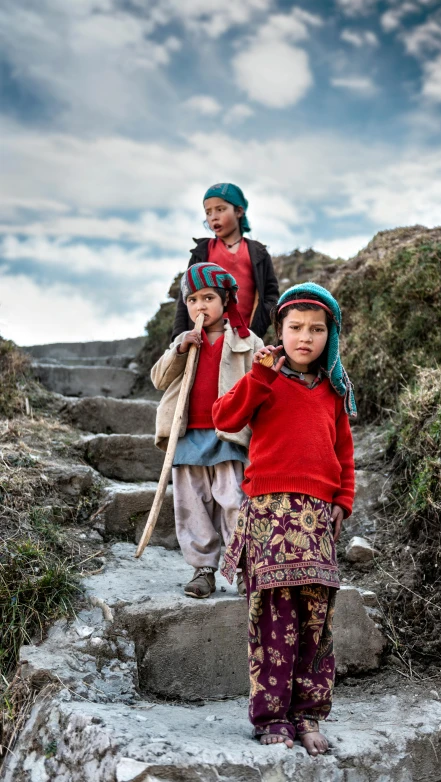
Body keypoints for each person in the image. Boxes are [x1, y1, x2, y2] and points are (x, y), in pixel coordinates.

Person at [213, 282, 357, 756]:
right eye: (295, 327)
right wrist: (258, 376)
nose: (305, 337)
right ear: (280, 331)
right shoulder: (264, 377)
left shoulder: (334, 392)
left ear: (329, 337)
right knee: (274, 620)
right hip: (270, 516)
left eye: (317, 329)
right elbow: (225, 418)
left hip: (317, 520)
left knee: (316, 621)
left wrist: (343, 501)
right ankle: (271, 716)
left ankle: (309, 713)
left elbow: (344, 454)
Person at [151, 262, 264, 598]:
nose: (200, 306)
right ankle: (203, 569)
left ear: (226, 299)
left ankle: (244, 568)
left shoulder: (246, 340)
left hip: (228, 435)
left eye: (209, 297)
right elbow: (158, 379)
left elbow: (263, 381)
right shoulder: (185, 342)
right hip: (187, 436)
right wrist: (180, 348)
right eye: (193, 299)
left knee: (234, 501)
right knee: (192, 505)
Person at [172, 183, 279, 341]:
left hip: (244, 339)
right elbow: (186, 297)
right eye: (208, 212)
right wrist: (179, 337)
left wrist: (255, 331)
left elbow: (271, 296)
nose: (213, 216)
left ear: (239, 211)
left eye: (220, 209)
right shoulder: (202, 252)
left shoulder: (258, 253)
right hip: (205, 339)